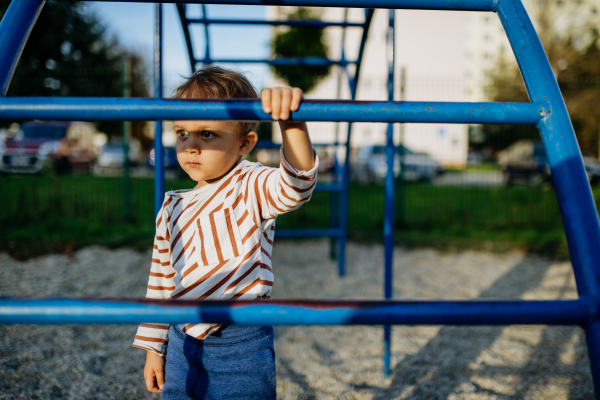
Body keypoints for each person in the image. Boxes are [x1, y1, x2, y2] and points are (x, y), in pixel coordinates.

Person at [132, 65, 318, 400]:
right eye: (182, 133)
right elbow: (160, 279)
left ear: (244, 143)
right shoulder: (172, 206)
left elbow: (298, 185)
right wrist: (153, 348)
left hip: (241, 340)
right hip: (180, 337)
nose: (190, 146)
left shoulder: (251, 185)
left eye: (207, 134)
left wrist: (291, 121)